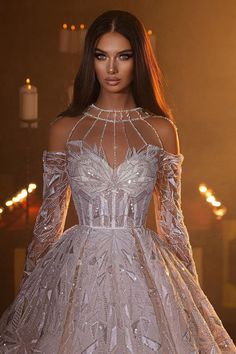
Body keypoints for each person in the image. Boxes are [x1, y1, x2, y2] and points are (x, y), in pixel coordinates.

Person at [0, 9, 235, 354]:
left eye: (122, 56)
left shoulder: (161, 130)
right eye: (101, 56)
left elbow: (172, 220)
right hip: (78, 267)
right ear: (90, 61)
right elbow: (50, 219)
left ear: (137, 60)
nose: (111, 69)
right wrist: (30, 290)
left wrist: (190, 293)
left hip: (144, 266)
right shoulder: (65, 128)